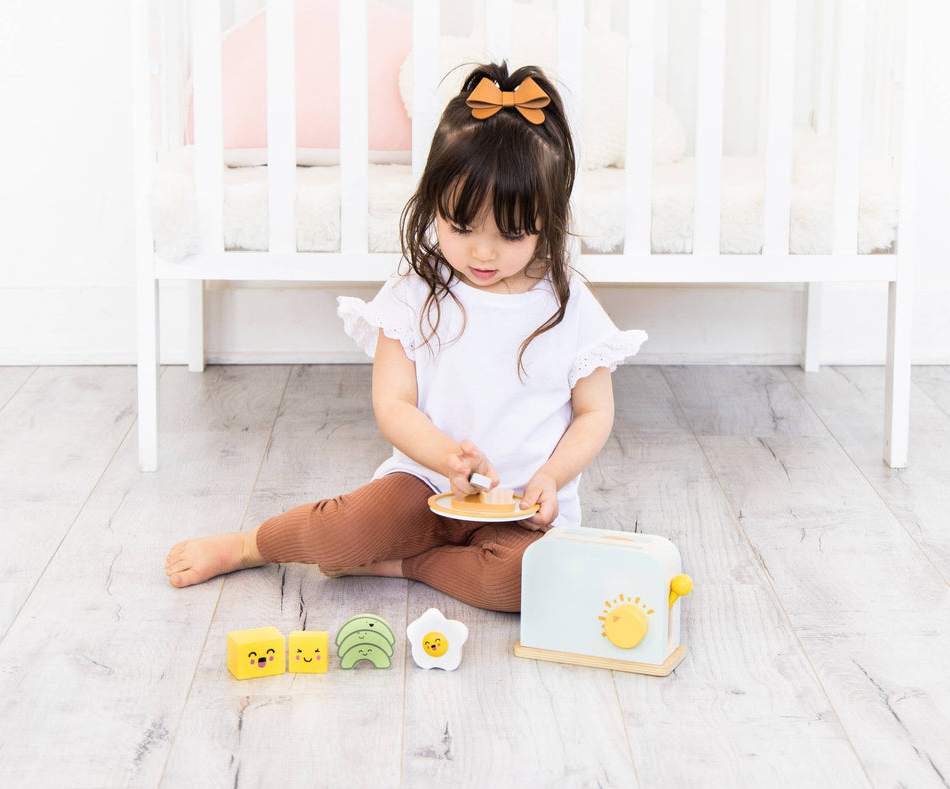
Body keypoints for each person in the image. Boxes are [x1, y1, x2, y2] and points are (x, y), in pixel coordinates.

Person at [164, 61, 646, 612]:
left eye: (510, 235)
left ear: (549, 218)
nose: (482, 253)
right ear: (433, 202)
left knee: (523, 584)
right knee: (344, 530)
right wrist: (446, 460)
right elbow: (393, 404)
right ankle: (249, 546)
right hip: (425, 484)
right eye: (461, 228)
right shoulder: (416, 293)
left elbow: (594, 413)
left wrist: (550, 478)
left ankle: (405, 565)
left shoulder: (569, 304)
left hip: (520, 509)